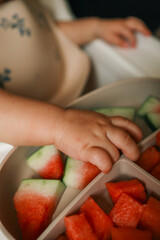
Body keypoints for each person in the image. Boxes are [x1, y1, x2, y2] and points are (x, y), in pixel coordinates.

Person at [0, 0, 145, 173]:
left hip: (72, 100)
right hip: (27, 133)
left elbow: (48, 35)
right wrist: (60, 124)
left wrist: (95, 28)